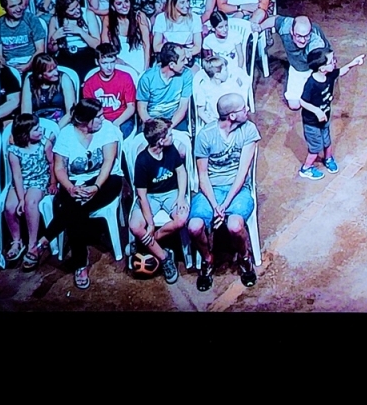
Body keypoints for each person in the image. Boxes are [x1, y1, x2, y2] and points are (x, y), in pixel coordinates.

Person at [25, 98, 124, 289]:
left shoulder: (108, 129)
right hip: (76, 184)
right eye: (98, 117)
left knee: (74, 208)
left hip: (106, 180)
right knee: (75, 209)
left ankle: (44, 240)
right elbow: (60, 168)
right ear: (86, 120)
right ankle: (80, 264)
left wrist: (95, 187)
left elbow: (108, 162)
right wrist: (70, 187)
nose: (103, 119)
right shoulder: (66, 135)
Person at [190, 92, 260, 291]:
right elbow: (202, 176)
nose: (247, 110)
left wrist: (224, 205)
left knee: (235, 226)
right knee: (194, 227)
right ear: (231, 116)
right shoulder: (205, 135)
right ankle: (207, 259)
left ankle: (245, 259)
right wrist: (214, 205)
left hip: (236, 190)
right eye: (243, 108)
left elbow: (242, 173)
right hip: (211, 190)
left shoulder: (249, 130)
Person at [128, 117, 188, 285]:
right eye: (169, 134)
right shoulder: (142, 160)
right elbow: (142, 195)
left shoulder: (171, 150)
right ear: (161, 141)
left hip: (171, 193)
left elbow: (181, 172)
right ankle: (164, 257)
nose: (172, 136)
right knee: (135, 226)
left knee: (181, 219)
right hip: (151, 197)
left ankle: (150, 241)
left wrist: (181, 196)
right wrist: (151, 222)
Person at [296, 48, 366, 180]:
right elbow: (302, 102)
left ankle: (328, 159)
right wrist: (317, 111)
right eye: (331, 61)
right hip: (312, 123)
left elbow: (341, 71)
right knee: (315, 147)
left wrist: (353, 63)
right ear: (322, 68)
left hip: (325, 118)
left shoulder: (329, 74)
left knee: (327, 141)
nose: (335, 62)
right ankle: (306, 168)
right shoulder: (311, 84)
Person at [3, 112, 56, 266]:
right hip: (22, 182)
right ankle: (16, 240)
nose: (40, 131)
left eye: (40, 128)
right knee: (9, 206)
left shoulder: (45, 144)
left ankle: (32, 244)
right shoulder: (14, 151)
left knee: (31, 203)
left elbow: (52, 164)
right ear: (25, 134)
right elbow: (17, 177)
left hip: (39, 180)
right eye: (36, 129)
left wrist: (52, 183)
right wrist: (20, 199)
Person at [268, 14, 330, 111]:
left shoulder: (317, 44)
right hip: (297, 68)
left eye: (306, 36)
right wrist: (258, 27)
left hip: (313, 69)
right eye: (299, 36)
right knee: (294, 105)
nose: (302, 40)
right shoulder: (286, 26)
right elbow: (273, 20)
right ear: (291, 31)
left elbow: (324, 65)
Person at [81, 43, 137, 137]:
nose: (109, 67)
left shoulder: (125, 78)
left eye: (112, 62)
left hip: (122, 119)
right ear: (97, 62)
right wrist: (104, 124)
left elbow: (131, 107)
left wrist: (115, 124)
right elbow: (90, 111)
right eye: (105, 63)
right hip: (100, 120)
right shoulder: (89, 83)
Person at [136, 43, 193, 131]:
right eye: (182, 60)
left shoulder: (186, 75)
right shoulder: (147, 78)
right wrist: (155, 128)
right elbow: (142, 108)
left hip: (175, 120)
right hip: (151, 122)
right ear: (171, 64)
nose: (186, 62)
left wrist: (168, 129)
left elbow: (183, 107)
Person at [0, 0, 47, 73]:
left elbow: (40, 50)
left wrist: (27, 66)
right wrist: (9, 70)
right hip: (9, 66)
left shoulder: (31, 19)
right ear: (4, 8)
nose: (19, 9)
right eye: (13, 6)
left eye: (20, 4)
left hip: (32, 63)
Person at [47, 0, 101, 78]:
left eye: (77, 5)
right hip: (65, 56)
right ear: (63, 12)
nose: (77, 10)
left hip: (85, 55)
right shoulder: (55, 20)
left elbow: (97, 44)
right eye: (72, 10)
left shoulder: (88, 14)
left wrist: (80, 32)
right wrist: (54, 39)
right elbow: (51, 50)